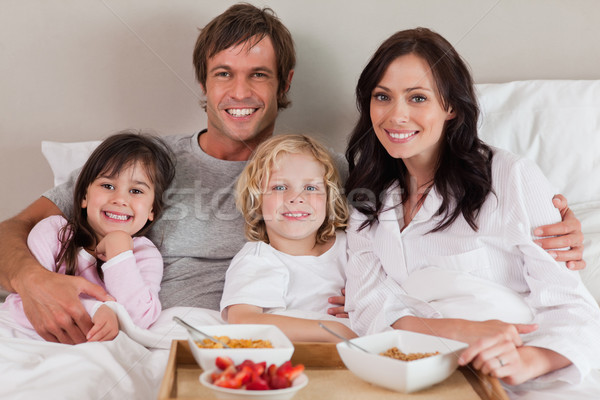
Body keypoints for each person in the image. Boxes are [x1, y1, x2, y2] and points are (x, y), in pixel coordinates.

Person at [0, 4, 584, 345]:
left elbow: (414, 228)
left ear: (285, 85)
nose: (239, 92)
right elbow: (12, 229)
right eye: (223, 73)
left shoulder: (330, 171)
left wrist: (546, 228)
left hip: (282, 345)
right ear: (202, 83)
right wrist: (32, 280)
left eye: (259, 75)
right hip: (157, 334)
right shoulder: (139, 164)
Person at [344, 27, 600, 392]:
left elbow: (573, 309)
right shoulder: (365, 196)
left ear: (450, 106)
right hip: (418, 374)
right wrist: (458, 329)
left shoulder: (510, 177)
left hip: (518, 377)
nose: (395, 116)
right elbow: (366, 307)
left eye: (417, 98)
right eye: (382, 96)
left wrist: (528, 360)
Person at [1, 132, 176, 341]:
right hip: (26, 338)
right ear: (84, 196)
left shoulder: (143, 253)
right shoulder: (53, 233)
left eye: (136, 191)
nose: (120, 199)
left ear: (151, 211)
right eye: (108, 186)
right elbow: (24, 301)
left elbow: (141, 318)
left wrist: (119, 252)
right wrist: (94, 310)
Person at [220, 134, 356, 342]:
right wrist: (332, 330)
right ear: (257, 201)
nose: (296, 197)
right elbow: (242, 320)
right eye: (280, 187)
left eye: (311, 188)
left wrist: (361, 305)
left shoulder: (350, 244)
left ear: (329, 200)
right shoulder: (258, 258)